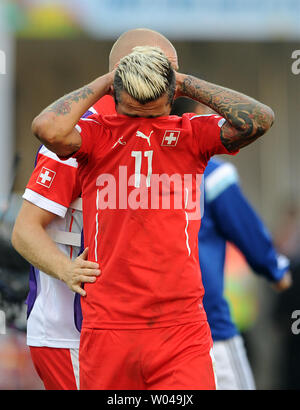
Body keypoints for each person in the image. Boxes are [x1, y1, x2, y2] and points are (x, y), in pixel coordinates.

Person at [30, 45, 274, 390]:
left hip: (181, 328)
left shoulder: (192, 134)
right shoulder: (97, 135)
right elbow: (47, 128)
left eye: (154, 112)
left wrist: (185, 81)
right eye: (133, 112)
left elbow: (260, 118)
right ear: (115, 96)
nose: (143, 122)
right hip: (108, 327)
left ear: (172, 98)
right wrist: (107, 80)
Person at [12, 28, 179, 390]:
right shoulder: (80, 135)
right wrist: (67, 270)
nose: (176, 84)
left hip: (131, 335)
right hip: (70, 334)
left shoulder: (158, 131)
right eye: (169, 71)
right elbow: (24, 229)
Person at [171, 97, 291, 389]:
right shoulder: (212, 174)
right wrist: (276, 271)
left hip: (150, 334)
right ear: (199, 114)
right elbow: (250, 233)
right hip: (209, 329)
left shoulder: (136, 173)